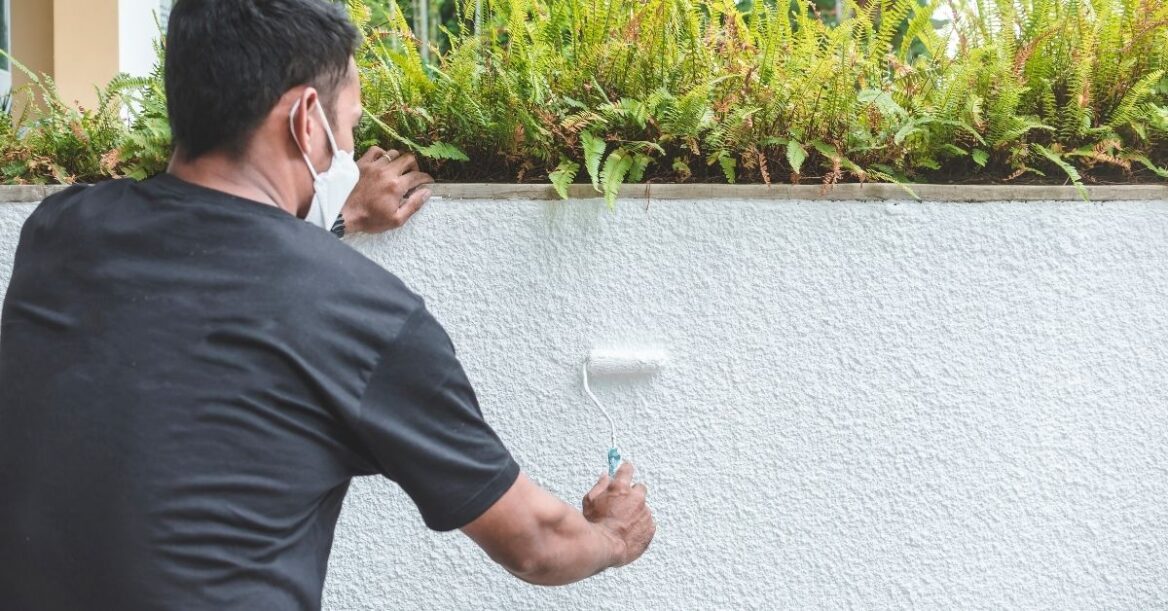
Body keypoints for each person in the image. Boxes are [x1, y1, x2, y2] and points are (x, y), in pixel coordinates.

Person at [0, 0, 655, 608]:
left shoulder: (61, 234)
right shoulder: (364, 316)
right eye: (348, 127)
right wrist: (614, 536)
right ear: (306, 119)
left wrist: (334, 220)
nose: (347, 149)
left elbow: (214, 277)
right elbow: (537, 544)